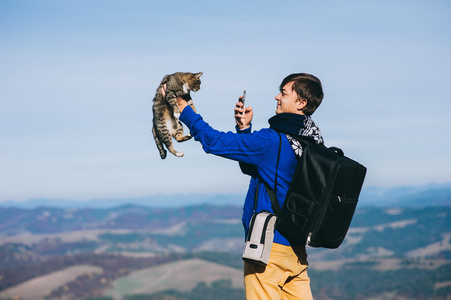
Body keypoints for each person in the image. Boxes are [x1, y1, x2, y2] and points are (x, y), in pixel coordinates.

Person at [171, 73, 324, 300]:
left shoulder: (272, 141)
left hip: (267, 249)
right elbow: (258, 169)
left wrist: (184, 110)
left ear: (301, 103)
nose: (276, 97)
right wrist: (245, 130)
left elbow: (215, 142)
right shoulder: (313, 142)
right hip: (297, 250)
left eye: (283, 93)